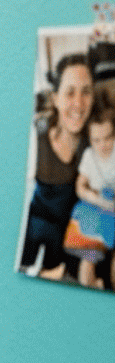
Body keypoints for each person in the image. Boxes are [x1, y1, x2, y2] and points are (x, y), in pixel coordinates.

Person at [22, 53, 94, 280]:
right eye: (70, 92)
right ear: (55, 98)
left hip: (66, 248)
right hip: (32, 233)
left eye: (86, 92)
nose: (79, 103)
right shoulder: (35, 139)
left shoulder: (95, 146)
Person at [68, 97, 115, 289]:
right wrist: (94, 198)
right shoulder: (89, 156)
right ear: (89, 138)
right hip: (93, 210)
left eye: (108, 137)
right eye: (97, 140)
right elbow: (80, 187)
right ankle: (94, 286)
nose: (103, 145)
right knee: (85, 273)